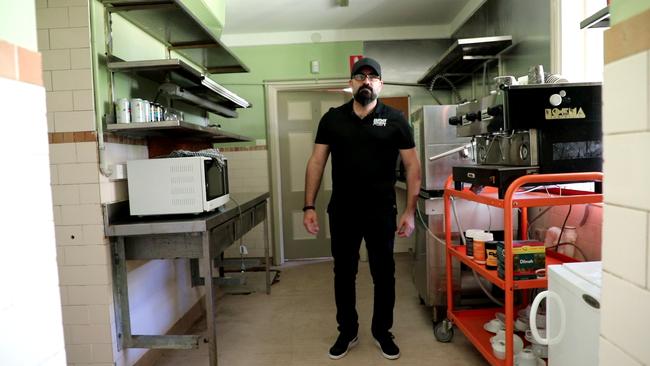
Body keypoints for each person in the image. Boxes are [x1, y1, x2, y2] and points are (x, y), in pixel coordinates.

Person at [302, 57, 421, 360]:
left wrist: (409, 211)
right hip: (343, 211)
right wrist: (308, 205)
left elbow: (412, 167)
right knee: (344, 273)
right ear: (352, 82)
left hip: (382, 211)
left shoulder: (395, 119)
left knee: (384, 274)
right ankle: (348, 330)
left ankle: (382, 331)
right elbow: (317, 162)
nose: (366, 81)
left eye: (372, 77)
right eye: (360, 76)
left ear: (380, 84)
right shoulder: (332, 119)